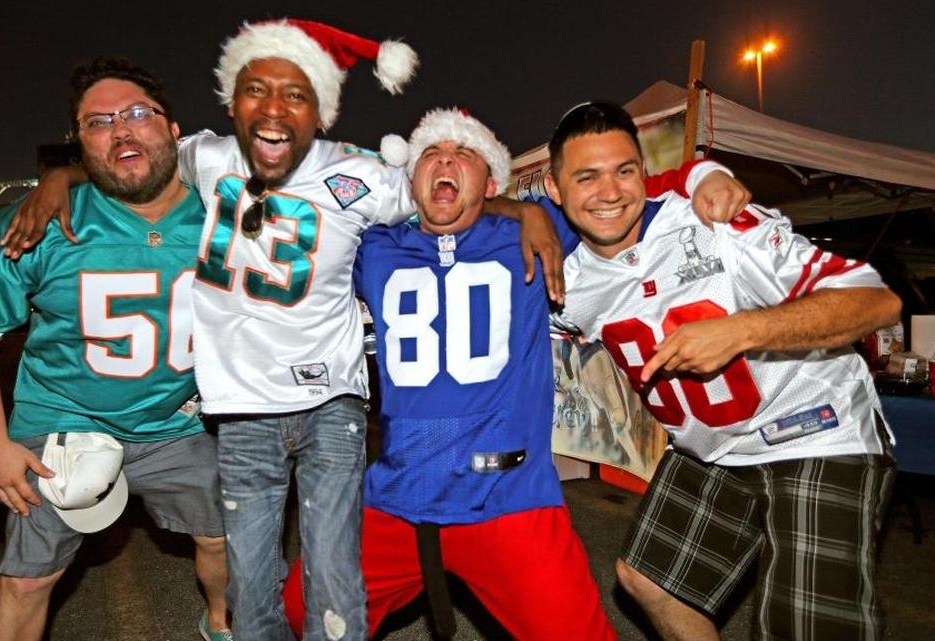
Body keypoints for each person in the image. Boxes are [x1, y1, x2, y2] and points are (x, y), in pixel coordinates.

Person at [280, 108, 750, 641]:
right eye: (431, 154)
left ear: (491, 178)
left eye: (465, 155)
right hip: (397, 498)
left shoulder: (528, 237)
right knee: (300, 610)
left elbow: (613, 193)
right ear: (410, 179)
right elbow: (309, 199)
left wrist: (703, 175)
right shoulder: (377, 248)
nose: (446, 161)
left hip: (508, 498)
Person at [544, 101, 901, 641]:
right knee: (649, 581)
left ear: (644, 170)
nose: (611, 192)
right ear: (555, 189)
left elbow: (876, 302)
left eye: (624, 170)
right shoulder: (567, 282)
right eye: (586, 177)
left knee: (800, 627)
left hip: (817, 427)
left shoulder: (714, 221)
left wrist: (740, 330)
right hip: (716, 448)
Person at [0, 57, 231, 641]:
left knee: (227, 538)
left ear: (175, 131)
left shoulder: (228, 212)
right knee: (26, 580)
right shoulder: (38, 226)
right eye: (98, 123)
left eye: (138, 113)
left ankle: (219, 621)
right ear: (81, 147)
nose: (121, 130)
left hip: (178, 420)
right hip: (62, 422)